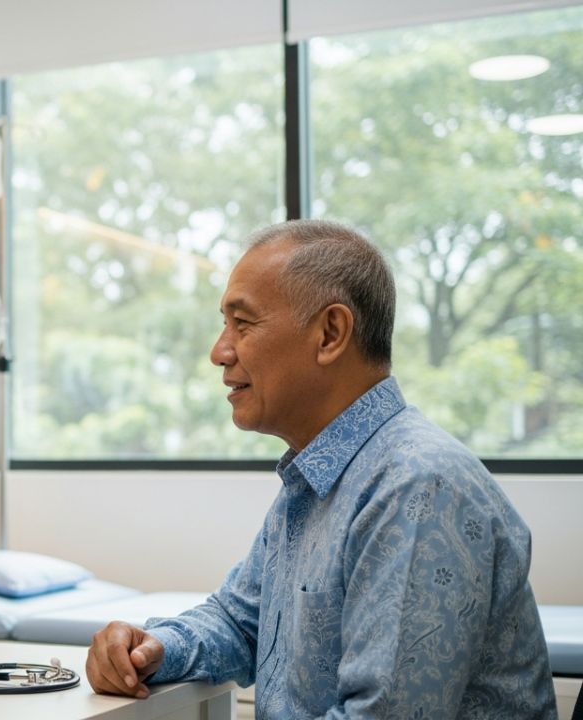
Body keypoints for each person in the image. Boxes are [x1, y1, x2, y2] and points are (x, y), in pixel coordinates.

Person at [86, 219, 556, 718]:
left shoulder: (416, 485)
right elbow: (242, 620)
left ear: (331, 333)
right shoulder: (317, 479)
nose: (219, 351)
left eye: (242, 324)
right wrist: (153, 647)